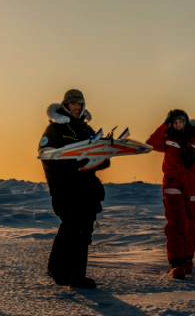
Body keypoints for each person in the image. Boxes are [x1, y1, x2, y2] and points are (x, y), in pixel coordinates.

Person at [38, 89, 110, 289]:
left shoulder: (87, 130)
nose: (77, 107)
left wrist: (99, 159)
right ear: (66, 105)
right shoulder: (54, 130)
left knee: (84, 231)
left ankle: (78, 276)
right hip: (64, 190)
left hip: (87, 190)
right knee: (71, 226)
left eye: (80, 104)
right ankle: (57, 268)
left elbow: (102, 161)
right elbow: (46, 156)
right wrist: (76, 165)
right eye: (73, 103)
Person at [147, 109, 195, 279]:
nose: (178, 125)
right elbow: (151, 143)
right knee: (176, 223)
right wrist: (164, 124)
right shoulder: (167, 138)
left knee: (192, 225)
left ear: (186, 122)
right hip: (173, 183)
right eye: (174, 122)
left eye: (180, 122)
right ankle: (176, 263)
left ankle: (187, 260)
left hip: (194, 185)